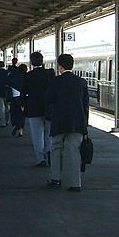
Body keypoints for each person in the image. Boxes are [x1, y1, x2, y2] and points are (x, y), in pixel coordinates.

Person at [45, 54, 89, 192]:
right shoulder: (81, 82)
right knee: (75, 151)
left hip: (59, 121)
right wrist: (84, 125)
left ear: (60, 67)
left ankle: (55, 179)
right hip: (77, 122)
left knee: (56, 149)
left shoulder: (55, 81)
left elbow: (48, 99)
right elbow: (85, 105)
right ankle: (76, 184)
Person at [23, 51, 55, 167]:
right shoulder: (50, 74)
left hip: (34, 108)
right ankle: (49, 153)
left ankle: (40, 159)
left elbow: (24, 92)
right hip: (49, 108)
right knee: (48, 133)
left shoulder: (28, 75)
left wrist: (23, 105)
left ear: (31, 62)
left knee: (37, 135)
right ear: (42, 61)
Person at [7, 63, 27, 137]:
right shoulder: (26, 77)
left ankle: (15, 124)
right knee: (22, 114)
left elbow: (8, 83)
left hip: (14, 97)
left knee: (14, 112)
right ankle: (21, 131)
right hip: (23, 97)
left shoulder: (12, 76)